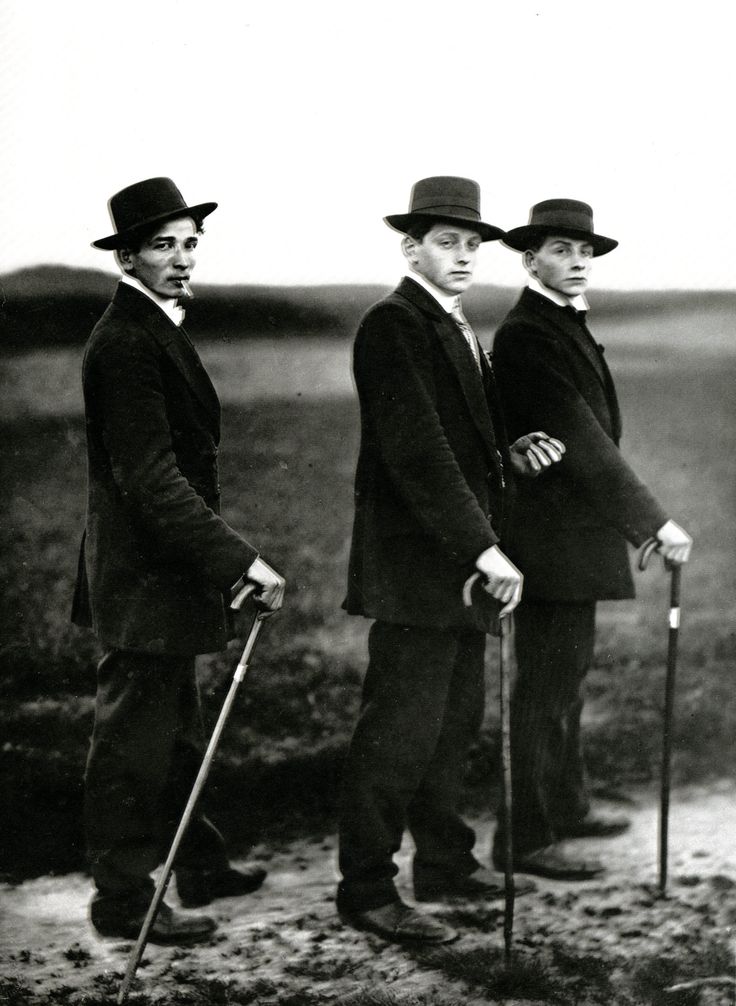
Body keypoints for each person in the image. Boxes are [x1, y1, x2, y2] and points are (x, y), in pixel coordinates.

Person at [338, 176, 566, 945]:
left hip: (461, 567)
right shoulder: (393, 324)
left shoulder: (456, 324)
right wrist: (484, 546)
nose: (464, 254)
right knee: (398, 730)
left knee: (454, 722)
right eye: (447, 241)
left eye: (472, 243)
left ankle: (443, 861)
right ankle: (366, 887)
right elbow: (418, 453)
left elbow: (464, 440)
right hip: (417, 569)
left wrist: (511, 450)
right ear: (411, 246)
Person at [72, 177, 285, 943]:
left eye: (191, 243)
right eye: (165, 245)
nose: (183, 258)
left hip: (164, 575)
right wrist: (238, 562)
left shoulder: (154, 326)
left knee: (179, 729)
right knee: (133, 744)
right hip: (142, 579)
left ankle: (197, 863)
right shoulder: (126, 340)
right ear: (128, 255)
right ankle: (121, 902)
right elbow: (153, 479)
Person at [491, 199, 692, 880]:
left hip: (573, 540)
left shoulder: (560, 325)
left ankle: (568, 805)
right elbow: (582, 439)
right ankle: (525, 837)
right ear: (530, 259)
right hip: (548, 543)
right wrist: (654, 524)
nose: (577, 263)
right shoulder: (528, 335)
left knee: (566, 680)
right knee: (545, 687)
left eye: (585, 252)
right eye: (560, 250)